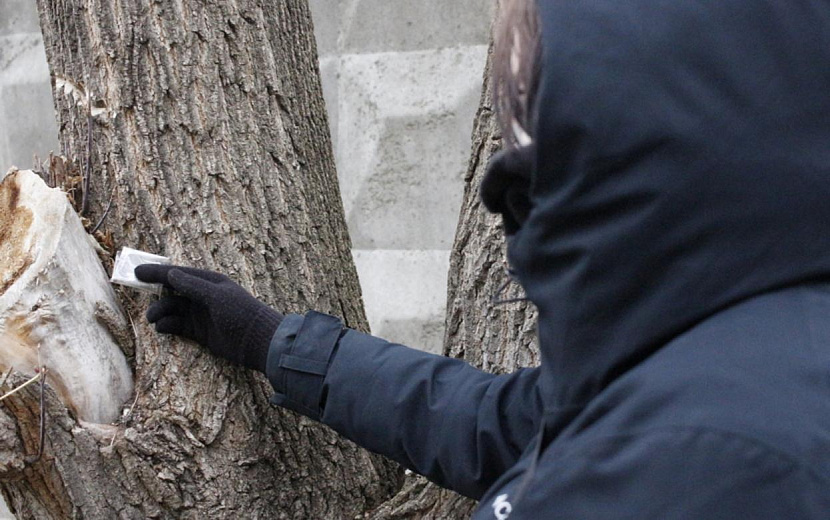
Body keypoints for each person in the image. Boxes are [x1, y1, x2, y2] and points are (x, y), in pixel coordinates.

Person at [135, 0, 830, 517]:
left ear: (620, 121)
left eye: (523, 94)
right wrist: (269, 339)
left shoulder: (695, 461)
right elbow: (502, 423)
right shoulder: (746, 348)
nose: (504, 132)